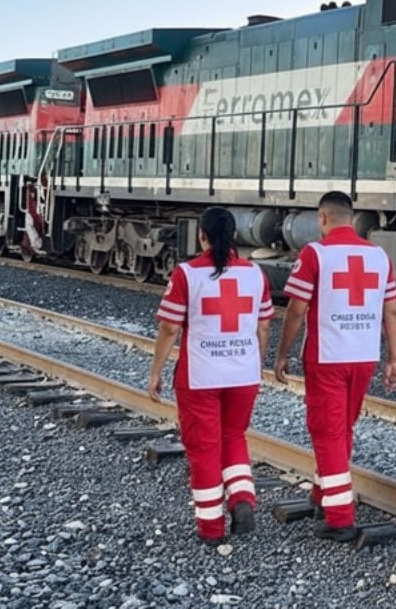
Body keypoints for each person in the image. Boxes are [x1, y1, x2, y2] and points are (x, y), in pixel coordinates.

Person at [273, 190, 396, 542]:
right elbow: (391, 311)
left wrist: (281, 352)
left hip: (327, 356)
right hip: (364, 357)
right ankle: (322, 495)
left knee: (326, 431)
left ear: (322, 218)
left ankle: (340, 517)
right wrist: (393, 359)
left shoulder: (315, 253)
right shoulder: (378, 255)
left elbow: (297, 310)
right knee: (342, 427)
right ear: (352, 217)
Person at [148, 207, 273, 543]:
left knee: (203, 447)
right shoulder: (255, 274)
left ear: (201, 235)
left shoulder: (187, 274)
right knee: (233, 436)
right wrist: (254, 364)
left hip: (200, 375)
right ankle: (243, 499)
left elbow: (170, 327)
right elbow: (264, 326)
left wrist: (156, 370)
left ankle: (211, 527)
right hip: (243, 375)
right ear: (234, 235)